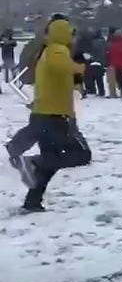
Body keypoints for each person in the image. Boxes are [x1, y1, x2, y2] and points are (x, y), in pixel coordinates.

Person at [9, 17, 90, 212]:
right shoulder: (57, 50)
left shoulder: (50, 50)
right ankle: (32, 162)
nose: (73, 38)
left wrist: (77, 77)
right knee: (82, 155)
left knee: (51, 161)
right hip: (53, 117)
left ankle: (32, 201)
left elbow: (64, 73)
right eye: (71, 33)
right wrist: (84, 67)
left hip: (45, 114)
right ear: (64, 34)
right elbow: (63, 67)